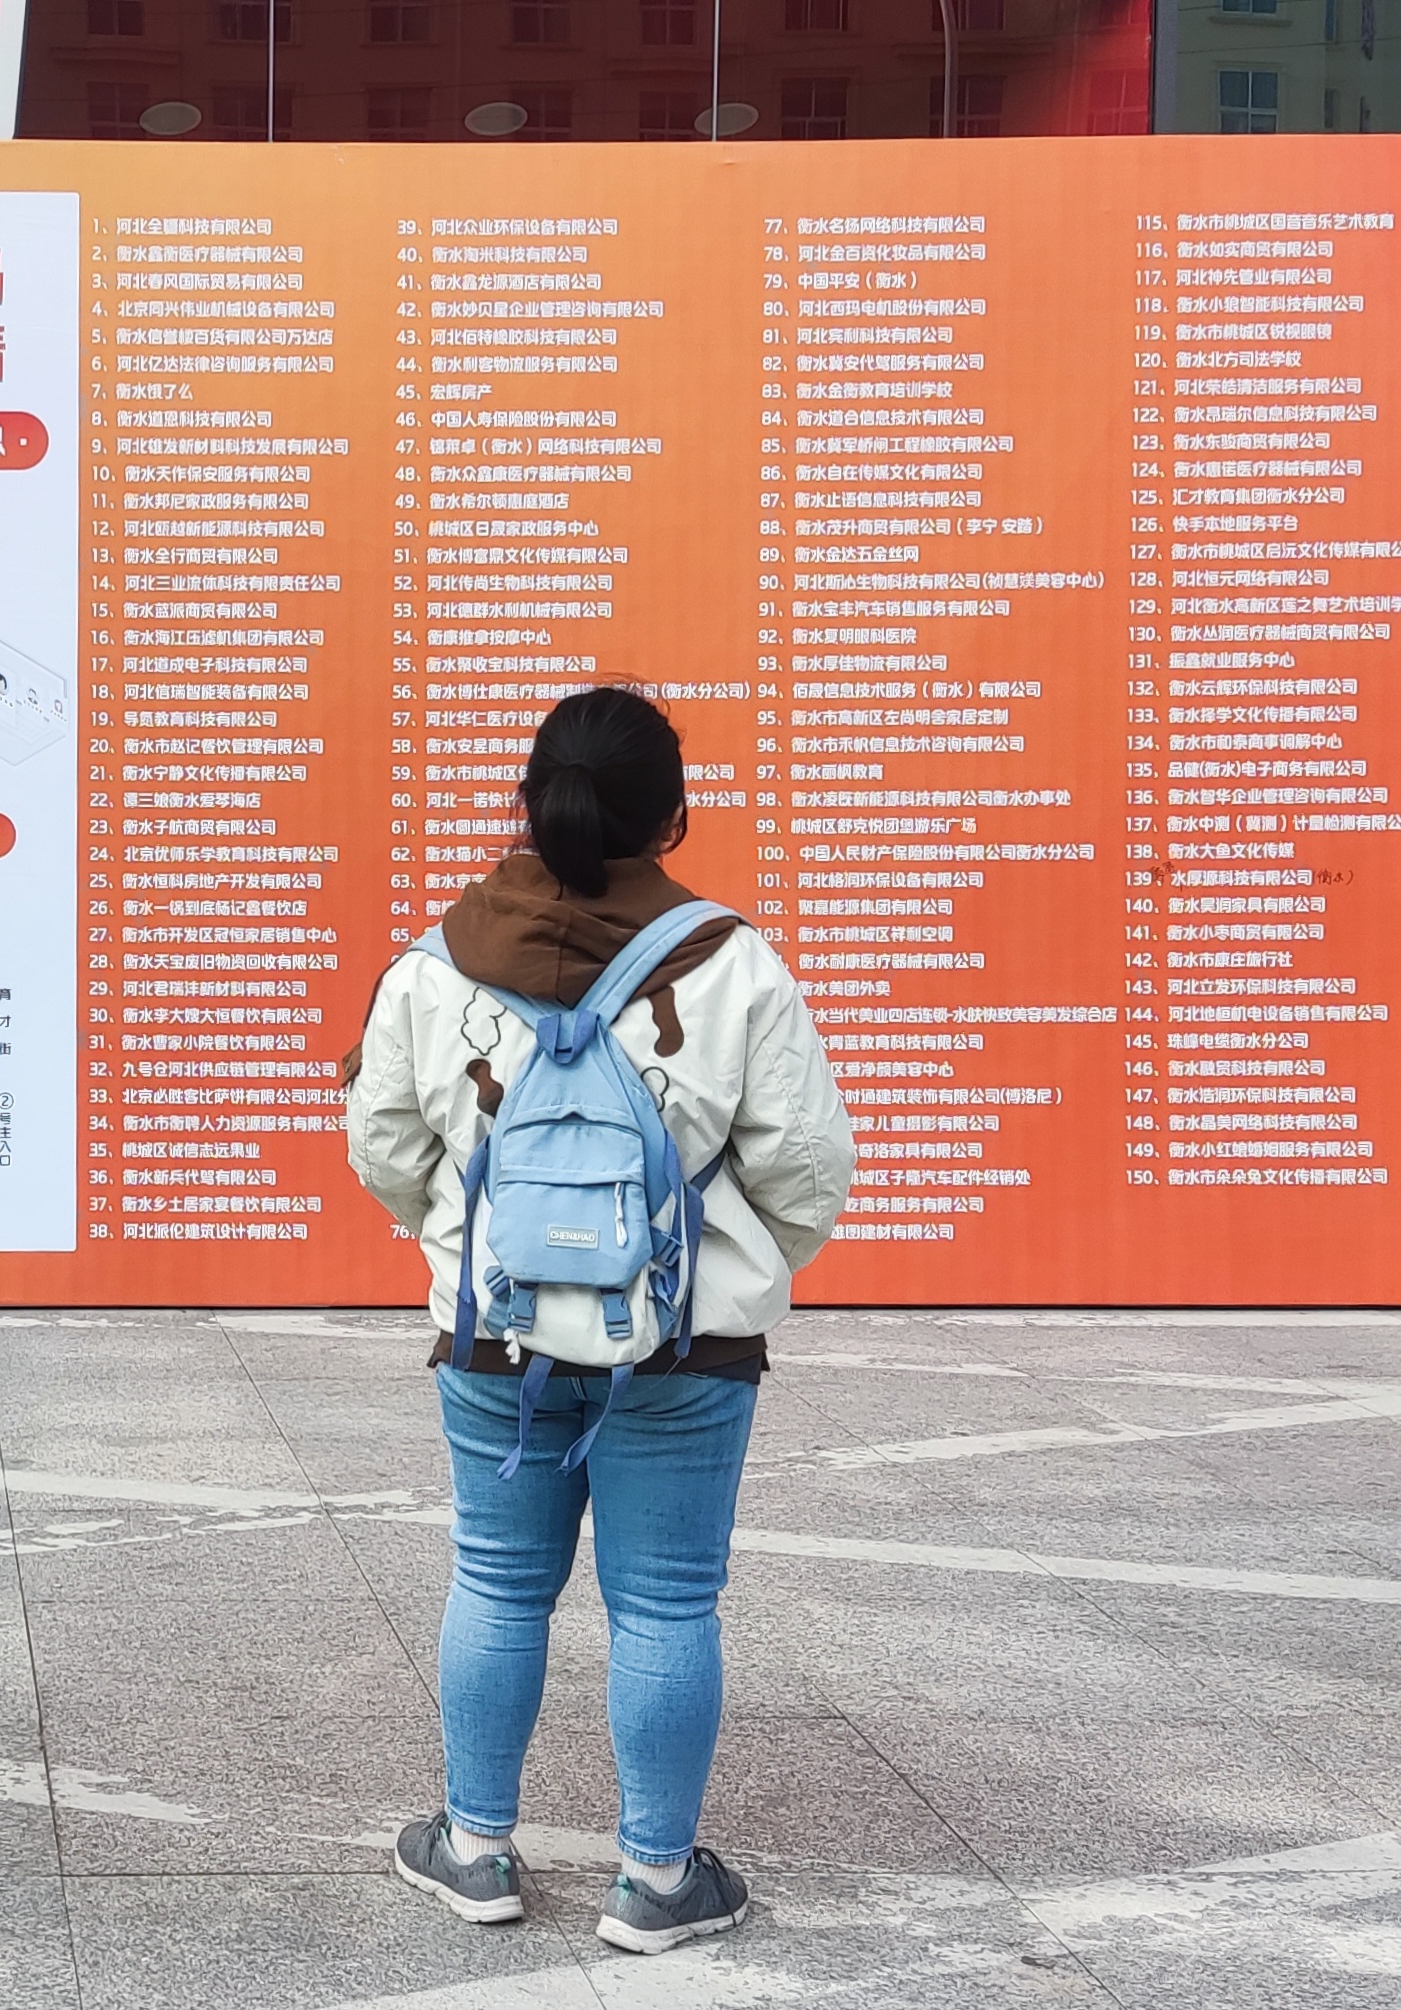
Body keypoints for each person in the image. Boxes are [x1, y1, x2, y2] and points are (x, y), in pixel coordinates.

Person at [344, 687, 854, 1953]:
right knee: (668, 1605)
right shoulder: (733, 964)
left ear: (527, 802)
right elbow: (806, 1171)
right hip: (681, 1349)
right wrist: (728, 1272)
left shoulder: (432, 964)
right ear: (673, 817)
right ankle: (658, 1881)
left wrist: (466, 1246)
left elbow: (384, 1149)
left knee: (496, 1580)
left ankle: (475, 1851)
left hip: (497, 1337)